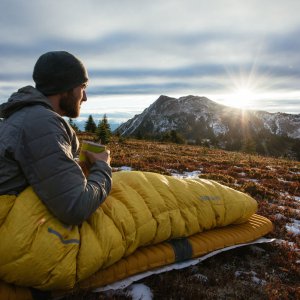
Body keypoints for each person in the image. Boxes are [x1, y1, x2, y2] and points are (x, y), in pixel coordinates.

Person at [0, 51, 112, 225]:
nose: (85, 97)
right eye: (82, 87)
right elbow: (75, 207)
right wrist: (102, 166)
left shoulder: (26, 116)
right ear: (66, 89)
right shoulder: (40, 123)